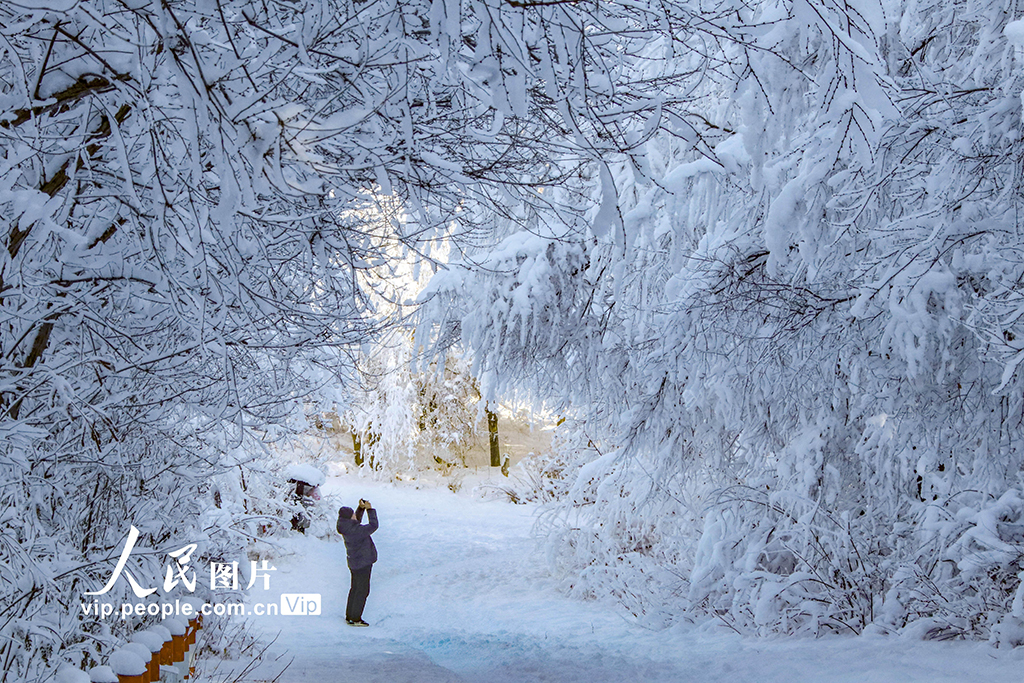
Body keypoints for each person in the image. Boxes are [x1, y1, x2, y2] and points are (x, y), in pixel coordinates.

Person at [336, 498, 378, 626]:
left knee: (355, 588)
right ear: (349, 518)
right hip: (363, 563)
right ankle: (356, 619)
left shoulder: (346, 526)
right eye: (353, 514)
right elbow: (373, 526)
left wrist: (360, 509)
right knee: (362, 590)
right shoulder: (356, 530)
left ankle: (350, 615)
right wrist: (370, 510)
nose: (355, 515)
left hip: (354, 562)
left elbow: (356, 522)